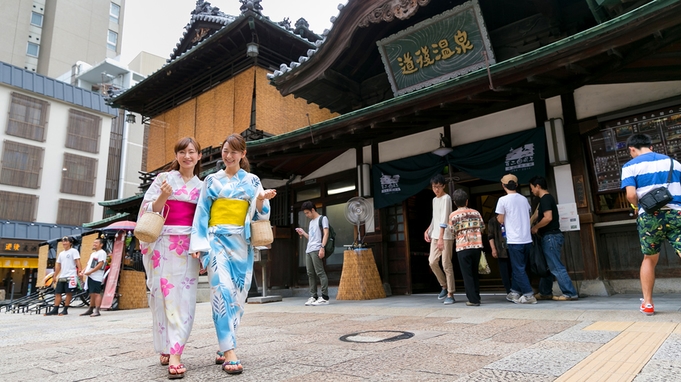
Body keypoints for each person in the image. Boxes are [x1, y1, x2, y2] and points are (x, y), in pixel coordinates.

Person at [190, 133, 276, 375]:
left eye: (234, 151)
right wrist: (198, 244)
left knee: (238, 295)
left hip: (242, 242)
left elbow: (262, 214)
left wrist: (261, 200)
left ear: (243, 154)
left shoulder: (252, 180)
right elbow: (202, 213)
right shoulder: (211, 181)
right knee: (222, 291)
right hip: (216, 240)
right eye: (225, 151)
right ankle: (229, 351)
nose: (228, 156)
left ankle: (223, 343)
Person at [139, 137, 203, 379]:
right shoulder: (163, 179)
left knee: (183, 298)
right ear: (176, 156)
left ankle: (176, 352)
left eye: (192, 152)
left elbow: (203, 219)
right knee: (162, 297)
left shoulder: (202, 186)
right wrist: (163, 196)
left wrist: (200, 247)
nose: (187, 156)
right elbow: (148, 212)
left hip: (188, 245)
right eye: (182, 152)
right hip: (163, 243)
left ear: (198, 156)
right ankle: (167, 345)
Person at [621, 133, 681, 316]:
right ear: (651, 147)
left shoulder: (630, 166)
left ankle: (648, 303)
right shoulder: (674, 163)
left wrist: (637, 204)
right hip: (676, 213)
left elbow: (631, 194)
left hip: (650, 216)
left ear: (632, 149)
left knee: (649, 258)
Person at [529, 176, 578, 301]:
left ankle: (570, 293)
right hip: (550, 237)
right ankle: (545, 292)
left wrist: (536, 228)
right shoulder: (544, 200)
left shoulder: (546, 199)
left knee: (556, 266)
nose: (532, 191)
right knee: (548, 266)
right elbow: (536, 215)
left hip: (551, 236)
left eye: (532, 188)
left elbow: (548, 218)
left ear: (537, 186)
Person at [495, 174, 536, 304]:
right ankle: (514, 292)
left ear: (503, 185)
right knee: (521, 267)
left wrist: (499, 218)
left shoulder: (503, 200)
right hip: (527, 238)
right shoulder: (524, 199)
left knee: (518, 268)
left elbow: (500, 219)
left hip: (514, 239)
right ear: (516, 185)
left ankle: (529, 295)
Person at [448, 189, 484, 306]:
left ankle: (473, 300)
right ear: (467, 201)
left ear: (455, 202)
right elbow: (482, 227)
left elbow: (452, 231)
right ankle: (476, 296)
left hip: (462, 247)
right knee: (474, 272)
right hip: (476, 245)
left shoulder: (453, 215)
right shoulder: (476, 213)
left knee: (467, 274)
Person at [423, 174, 456, 304]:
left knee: (446, 264)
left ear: (443, 186)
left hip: (446, 235)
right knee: (432, 261)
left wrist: (441, 237)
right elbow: (435, 218)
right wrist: (428, 230)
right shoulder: (434, 200)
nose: (436, 189)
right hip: (436, 235)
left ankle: (450, 293)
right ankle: (444, 285)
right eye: (434, 187)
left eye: (438, 186)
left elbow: (444, 219)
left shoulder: (446, 198)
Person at [296, 201, 331, 306]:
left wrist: (322, 247)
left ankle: (325, 297)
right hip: (309, 249)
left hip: (317, 248)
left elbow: (326, 234)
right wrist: (303, 233)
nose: (306, 215)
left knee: (320, 272)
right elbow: (311, 238)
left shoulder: (322, 218)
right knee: (310, 274)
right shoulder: (311, 222)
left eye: (307, 213)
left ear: (312, 210)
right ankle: (313, 296)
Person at [44, 236, 81, 316]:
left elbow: (77, 261)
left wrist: (80, 271)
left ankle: (65, 309)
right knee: (58, 292)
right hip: (62, 276)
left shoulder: (74, 251)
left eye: (66, 241)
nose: (64, 243)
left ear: (70, 243)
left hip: (71, 276)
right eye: (63, 241)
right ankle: (55, 309)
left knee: (68, 293)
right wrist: (55, 275)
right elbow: (58, 266)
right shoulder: (61, 253)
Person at [78, 237, 107, 317]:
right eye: (94, 243)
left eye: (96, 243)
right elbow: (89, 265)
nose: (94, 244)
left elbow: (100, 264)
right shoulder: (93, 254)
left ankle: (97, 310)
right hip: (90, 275)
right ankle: (91, 308)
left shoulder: (102, 252)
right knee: (91, 293)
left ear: (101, 245)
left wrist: (90, 272)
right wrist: (83, 271)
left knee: (96, 293)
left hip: (96, 276)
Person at [487, 213, 512, 294]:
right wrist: (493, 249)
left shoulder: (510, 218)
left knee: (516, 269)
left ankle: (517, 289)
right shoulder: (493, 221)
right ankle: (509, 291)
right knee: (504, 271)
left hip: (513, 248)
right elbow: (490, 236)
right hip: (501, 249)